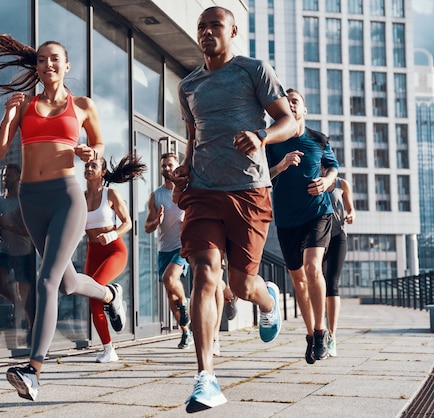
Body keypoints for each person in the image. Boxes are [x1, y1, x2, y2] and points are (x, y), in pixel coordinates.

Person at [0, 33, 126, 402]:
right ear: (37, 68)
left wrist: (92, 153)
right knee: (68, 283)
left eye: (55, 59)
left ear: (67, 65)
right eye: (42, 60)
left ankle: (34, 370)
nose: (48, 65)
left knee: (46, 281)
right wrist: (9, 116)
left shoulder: (83, 106)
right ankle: (109, 293)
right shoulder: (24, 105)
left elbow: (100, 145)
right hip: (31, 200)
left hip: (66, 198)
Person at [171, 7, 298, 413]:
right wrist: (185, 167)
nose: (207, 32)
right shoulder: (188, 84)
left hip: (248, 191)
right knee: (205, 274)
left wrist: (261, 137)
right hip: (204, 190)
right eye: (202, 27)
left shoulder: (253, 70)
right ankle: (205, 378)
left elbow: (289, 121)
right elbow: (193, 136)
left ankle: (267, 299)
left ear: (233, 31)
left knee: (242, 287)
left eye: (215, 26)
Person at [266, 88, 339, 365]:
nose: (291, 105)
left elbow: (333, 168)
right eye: (286, 102)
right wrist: (281, 166)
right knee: (298, 280)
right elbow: (262, 178)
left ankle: (321, 333)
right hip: (286, 220)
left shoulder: (318, 140)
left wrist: (327, 181)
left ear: (304, 110)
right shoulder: (272, 142)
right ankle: (310, 334)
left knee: (312, 268)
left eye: (295, 101)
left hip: (317, 213)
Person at [84, 153, 146, 363]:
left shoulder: (110, 194)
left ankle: (112, 291)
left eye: (93, 166)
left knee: (95, 293)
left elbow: (127, 222)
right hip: (93, 251)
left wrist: (111, 235)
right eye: (86, 166)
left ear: (102, 173)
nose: (88, 168)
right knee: (92, 299)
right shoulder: (80, 198)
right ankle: (108, 349)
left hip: (114, 251)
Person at [144, 153, 193, 350]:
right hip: (163, 249)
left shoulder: (187, 191)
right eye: (163, 165)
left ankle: (185, 301)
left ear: (177, 166)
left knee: (170, 279)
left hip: (182, 246)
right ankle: (185, 332)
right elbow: (148, 227)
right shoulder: (156, 195)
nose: (166, 168)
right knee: (170, 296)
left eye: (170, 165)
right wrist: (157, 220)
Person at [0, 163, 36, 347]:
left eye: (8, 175)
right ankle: (16, 304)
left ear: (18, 177)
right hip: (4, 249)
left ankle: (31, 331)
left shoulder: (24, 202)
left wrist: (7, 226)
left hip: (23, 252)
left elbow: (28, 231)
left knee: (25, 295)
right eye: (3, 175)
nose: (5, 178)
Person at [323, 175, 355, 357]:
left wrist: (351, 216)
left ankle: (332, 336)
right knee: (317, 283)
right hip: (317, 237)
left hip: (337, 237)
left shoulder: (341, 184)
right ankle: (319, 331)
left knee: (332, 283)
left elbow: (351, 209)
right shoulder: (310, 180)